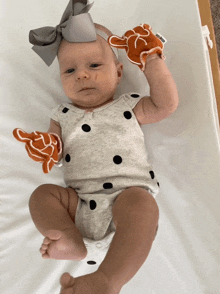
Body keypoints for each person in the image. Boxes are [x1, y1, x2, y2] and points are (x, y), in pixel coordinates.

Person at [13, 2, 179, 293]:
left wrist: (151, 59)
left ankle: (108, 278)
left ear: (118, 72)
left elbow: (165, 105)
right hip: (78, 203)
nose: (82, 75)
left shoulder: (128, 106)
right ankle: (68, 239)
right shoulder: (62, 115)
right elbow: (53, 150)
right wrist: (45, 147)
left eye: (94, 65)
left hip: (126, 196)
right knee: (42, 195)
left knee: (142, 205)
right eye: (70, 70)